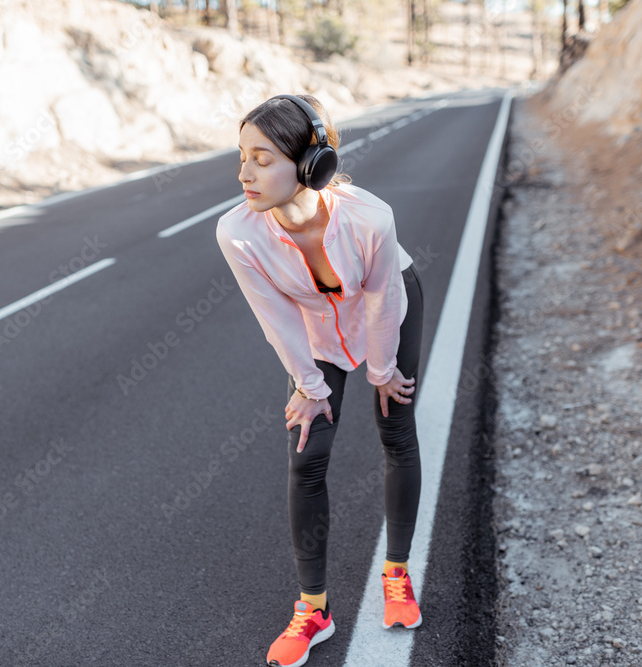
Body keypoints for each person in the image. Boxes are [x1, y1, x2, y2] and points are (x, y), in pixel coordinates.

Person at [215, 93, 425, 667]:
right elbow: (275, 318)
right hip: (313, 325)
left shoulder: (370, 219)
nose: (245, 174)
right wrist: (312, 388)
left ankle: (397, 575)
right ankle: (315, 610)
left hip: (390, 306)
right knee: (307, 454)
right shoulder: (237, 233)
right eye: (241, 157)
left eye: (262, 159)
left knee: (396, 427)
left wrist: (382, 373)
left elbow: (382, 300)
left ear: (312, 165)